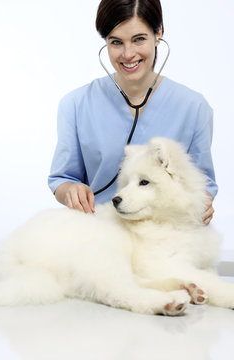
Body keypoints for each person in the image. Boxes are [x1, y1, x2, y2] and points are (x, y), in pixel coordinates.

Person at [48, 0, 217, 225]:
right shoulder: (76, 105)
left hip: (164, 240)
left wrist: (203, 201)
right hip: (100, 234)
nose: (128, 54)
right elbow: (62, 178)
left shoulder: (194, 107)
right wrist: (71, 189)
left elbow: (202, 184)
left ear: (158, 33)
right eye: (116, 42)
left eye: (139, 39)